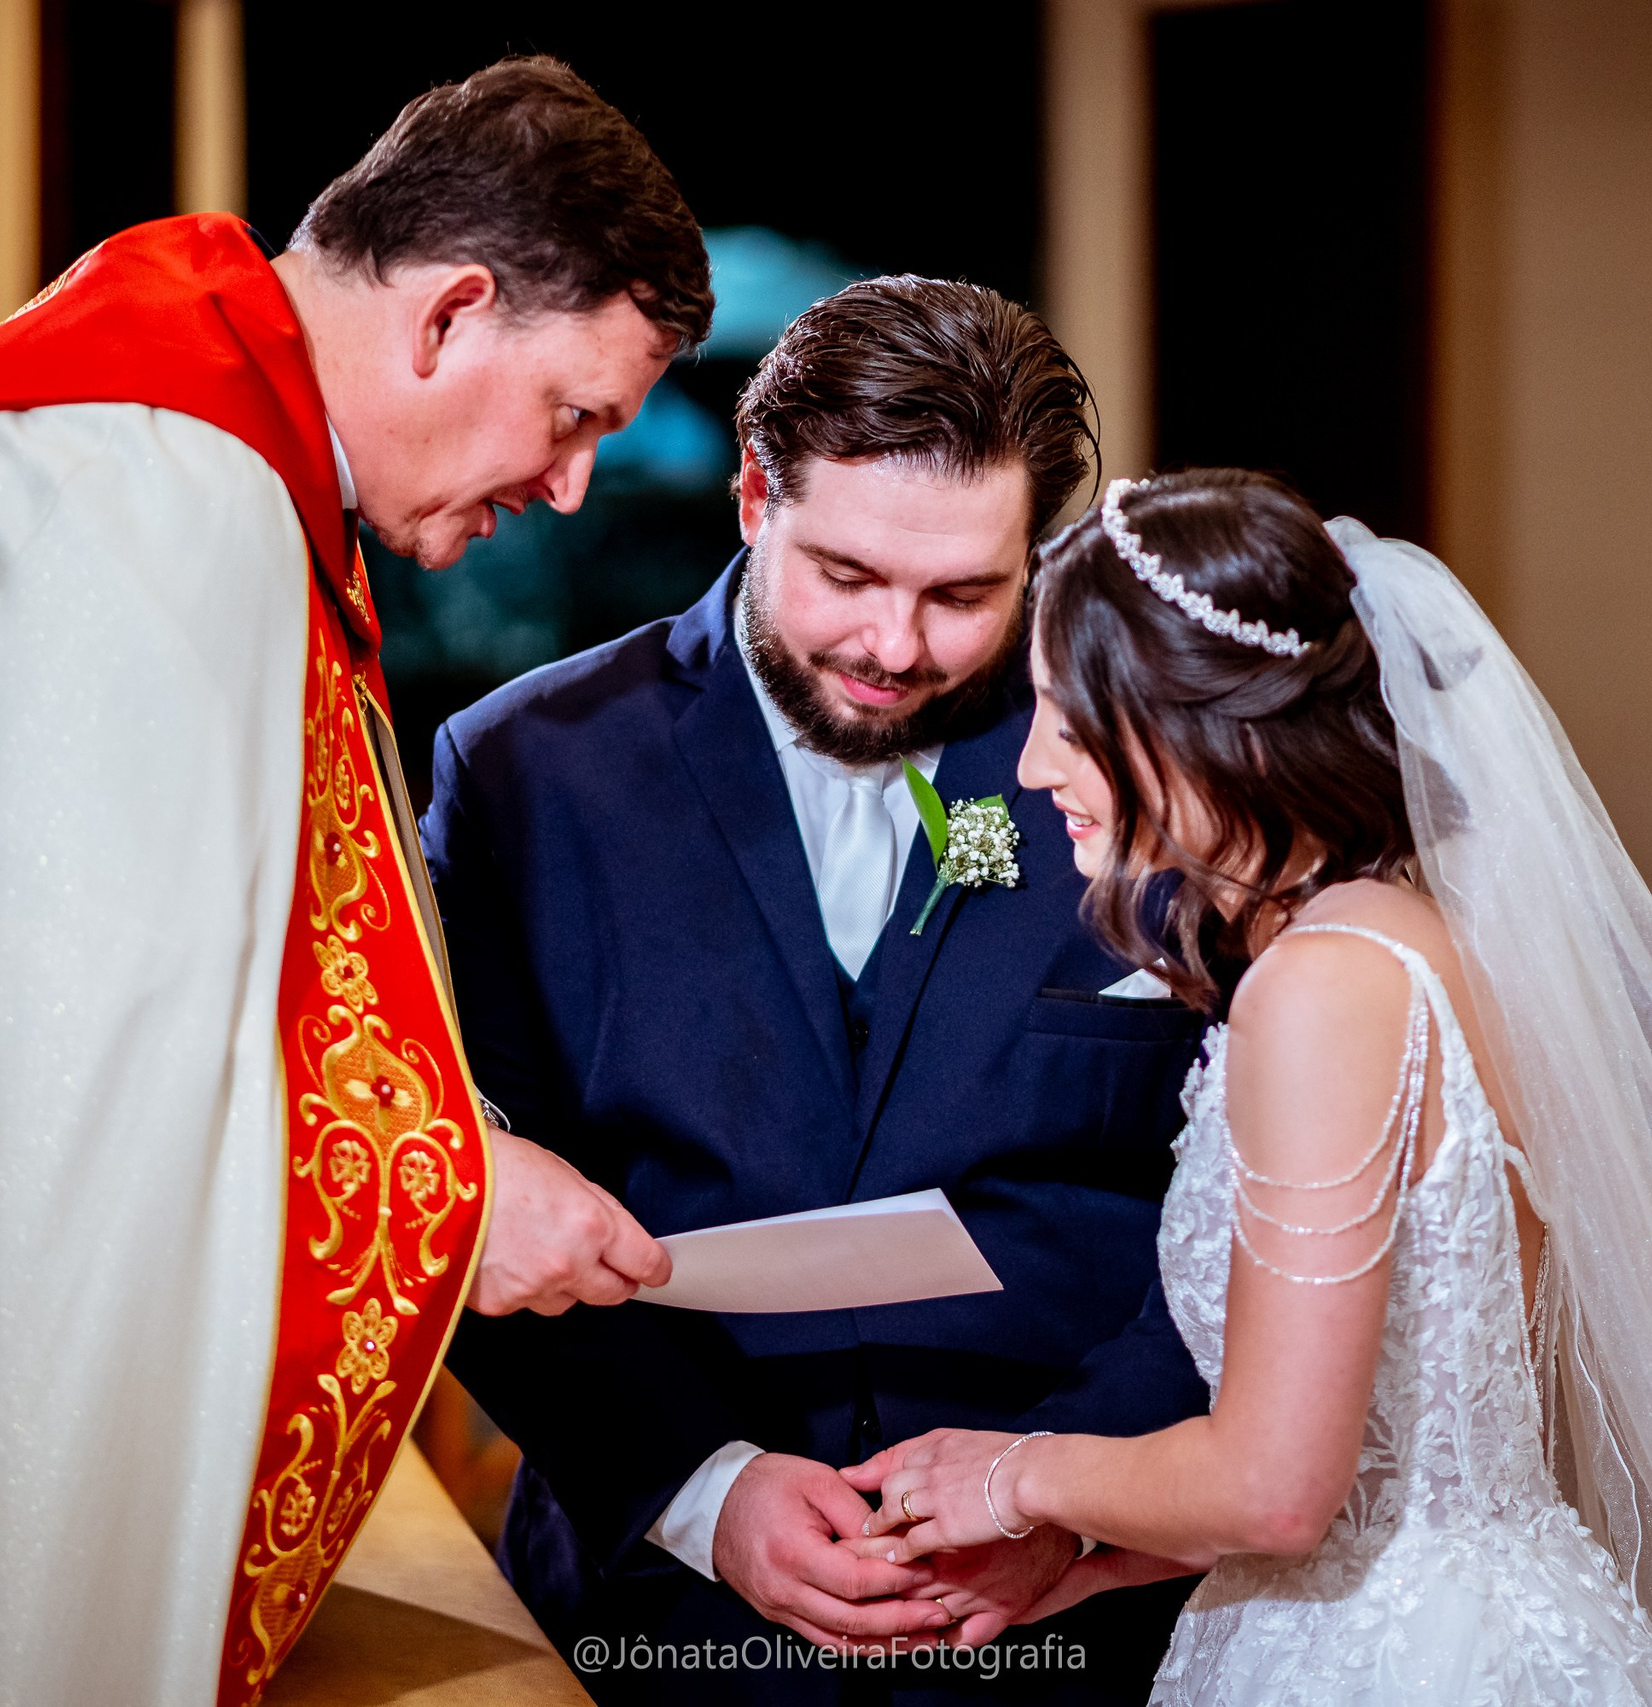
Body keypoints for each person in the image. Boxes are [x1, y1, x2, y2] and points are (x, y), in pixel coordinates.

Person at [0, 58, 706, 1707]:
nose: (573, 487)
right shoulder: (152, 488)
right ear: (449, 316)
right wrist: (455, 1202)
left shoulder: (170, 442)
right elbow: (77, 1114)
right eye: (576, 415)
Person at [843, 471, 1652, 1705]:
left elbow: (1280, 1482)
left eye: (1069, 713)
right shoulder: (1411, 936)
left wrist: (1010, 1475)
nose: (1036, 761)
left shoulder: (1324, 985)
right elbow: (1401, 1437)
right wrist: (1104, 1559)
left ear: (1184, 716)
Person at [425, 278, 1212, 1703]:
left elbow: (1242, 1198)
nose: (897, 647)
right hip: (660, 1617)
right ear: (750, 499)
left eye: (966, 592)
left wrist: (1069, 1492)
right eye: (846, 576)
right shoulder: (527, 774)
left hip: (1075, 1621)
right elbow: (473, 1195)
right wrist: (706, 1488)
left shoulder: (1149, 775)